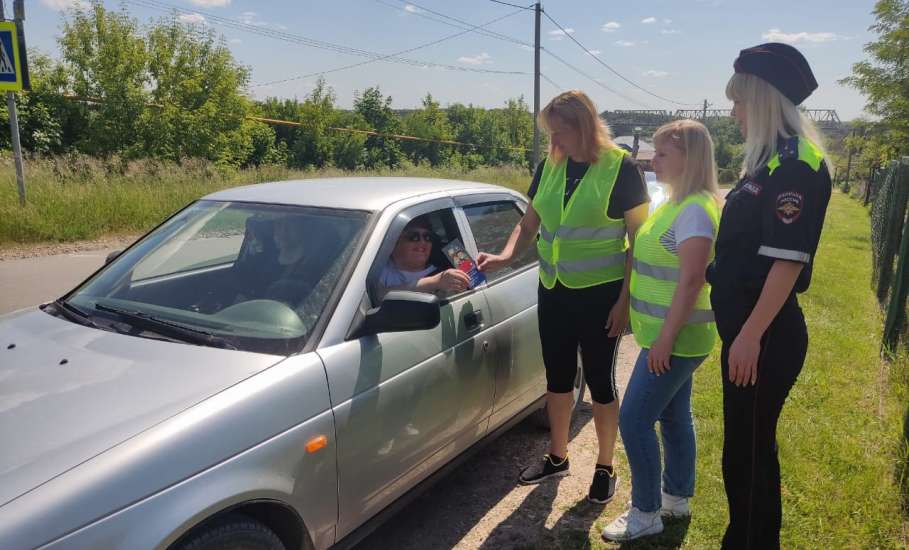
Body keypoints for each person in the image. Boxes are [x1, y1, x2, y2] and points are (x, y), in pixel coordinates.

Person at [477, 90, 650, 504]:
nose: (554, 140)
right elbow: (530, 222)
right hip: (553, 291)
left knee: (601, 381)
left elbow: (637, 241)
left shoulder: (620, 168)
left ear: (584, 125)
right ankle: (558, 456)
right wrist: (504, 255)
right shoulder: (550, 165)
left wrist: (624, 301)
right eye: (550, 132)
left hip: (601, 296)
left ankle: (606, 465)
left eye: (560, 131)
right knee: (556, 378)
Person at [707, 43, 832, 549]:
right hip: (751, 332)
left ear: (762, 99)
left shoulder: (795, 166)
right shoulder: (768, 162)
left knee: (749, 453)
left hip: (765, 335)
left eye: (738, 101)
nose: (733, 112)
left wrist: (750, 337)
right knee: (745, 448)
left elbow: (786, 261)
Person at [602, 120, 721, 541]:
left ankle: (646, 512)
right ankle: (676, 499)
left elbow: (692, 280)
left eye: (664, 153)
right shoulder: (675, 202)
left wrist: (665, 341)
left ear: (690, 158)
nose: (653, 160)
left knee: (633, 420)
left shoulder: (694, 210)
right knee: (673, 417)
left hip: (677, 339)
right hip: (667, 337)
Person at [378, 215, 470, 296]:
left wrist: (482, 268)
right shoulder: (377, 269)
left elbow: (474, 287)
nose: (422, 242)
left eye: (427, 237)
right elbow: (377, 297)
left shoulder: (448, 273)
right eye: (414, 237)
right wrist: (434, 282)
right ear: (395, 242)